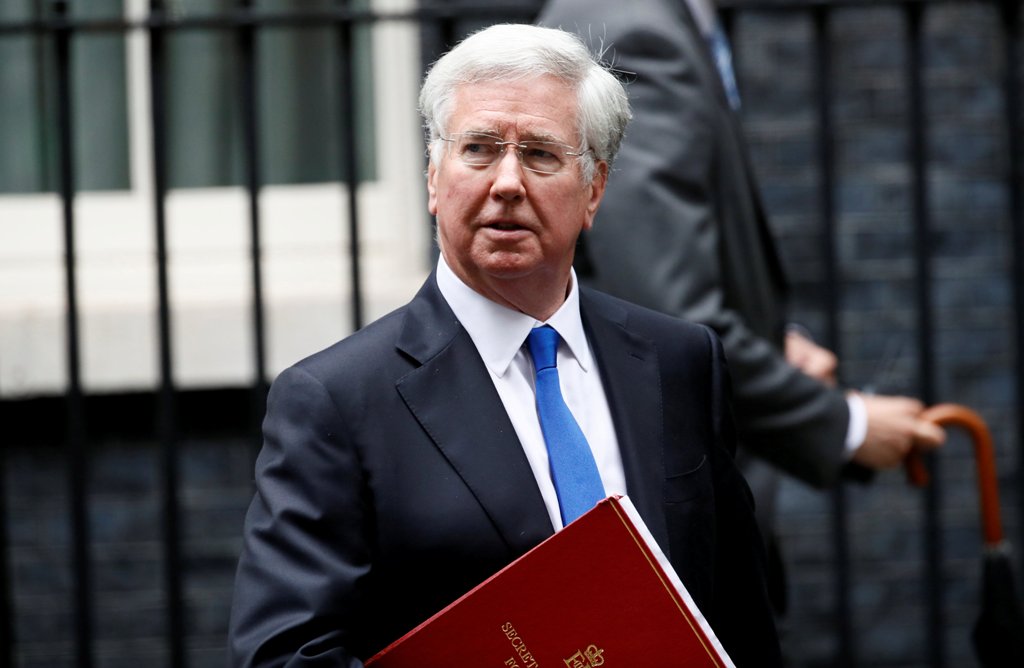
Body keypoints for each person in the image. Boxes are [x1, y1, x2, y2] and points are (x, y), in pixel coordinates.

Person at [228, 22, 782, 667]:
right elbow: (282, 656)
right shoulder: (335, 401)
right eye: (480, 149)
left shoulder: (680, 361)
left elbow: (738, 622)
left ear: (595, 190)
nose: (508, 182)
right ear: (434, 179)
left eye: (542, 154)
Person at [538, 0, 945, 615]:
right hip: (672, 507)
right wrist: (844, 425)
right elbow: (667, 308)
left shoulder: (648, 21)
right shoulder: (638, 31)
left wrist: (771, 343)